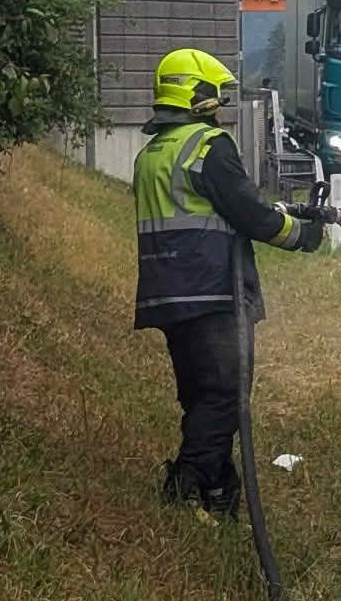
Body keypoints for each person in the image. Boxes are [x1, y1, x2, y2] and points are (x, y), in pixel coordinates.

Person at [133, 48, 323, 520]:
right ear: (197, 95)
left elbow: (211, 208)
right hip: (214, 292)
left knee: (200, 397)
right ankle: (186, 481)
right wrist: (302, 235)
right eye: (216, 95)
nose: (220, 105)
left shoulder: (151, 154)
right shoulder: (208, 145)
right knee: (226, 396)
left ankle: (219, 493)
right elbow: (249, 215)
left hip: (167, 293)